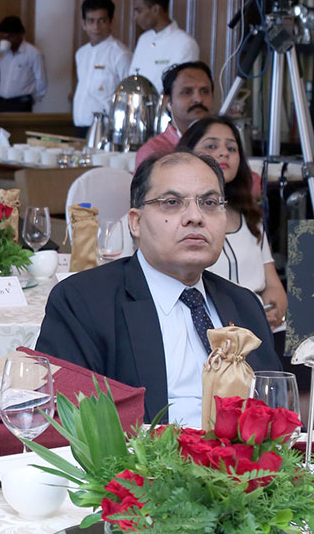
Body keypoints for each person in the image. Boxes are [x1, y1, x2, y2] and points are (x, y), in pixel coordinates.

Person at [36, 151, 280, 426]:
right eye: (172, 203)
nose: (195, 217)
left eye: (210, 203)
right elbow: (65, 425)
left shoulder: (244, 304)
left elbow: (276, 411)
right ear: (136, 222)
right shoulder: (83, 301)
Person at [178, 116, 287, 331]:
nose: (224, 153)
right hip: (209, 331)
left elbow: (274, 287)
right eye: (211, 146)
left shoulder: (251, 217)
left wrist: (273, 311)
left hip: (264, 329)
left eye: (231, 148)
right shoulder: (180, 219)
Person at [134, 61, 213, 167]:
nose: (198, 99)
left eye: (204, 91)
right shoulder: (153, 152)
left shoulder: (223, 148)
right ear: (167, 100)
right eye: (187, 92)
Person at [73, 0, 131, 139]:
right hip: (79, 125)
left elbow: (128, 97)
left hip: (106, 130)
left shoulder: (120, 54)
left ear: (111, 21)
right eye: (91, 21)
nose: (96, 27)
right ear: (84, 23)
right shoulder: (81, 53)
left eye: (101, 21)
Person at [127, 0, 200, 93]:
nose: (135, 17)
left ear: (155, 9)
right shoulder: (143, 39)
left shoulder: (185, 43)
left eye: (139, 11)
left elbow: (183, 87)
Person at [0, 16, 47, 113]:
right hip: (2, 101)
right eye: (3, 38)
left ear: (21, 34)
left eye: (10, 37)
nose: (7, 41)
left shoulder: (34, 53)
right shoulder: (1, 52)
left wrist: (32, 100)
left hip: (22, 102)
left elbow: (42, 81)